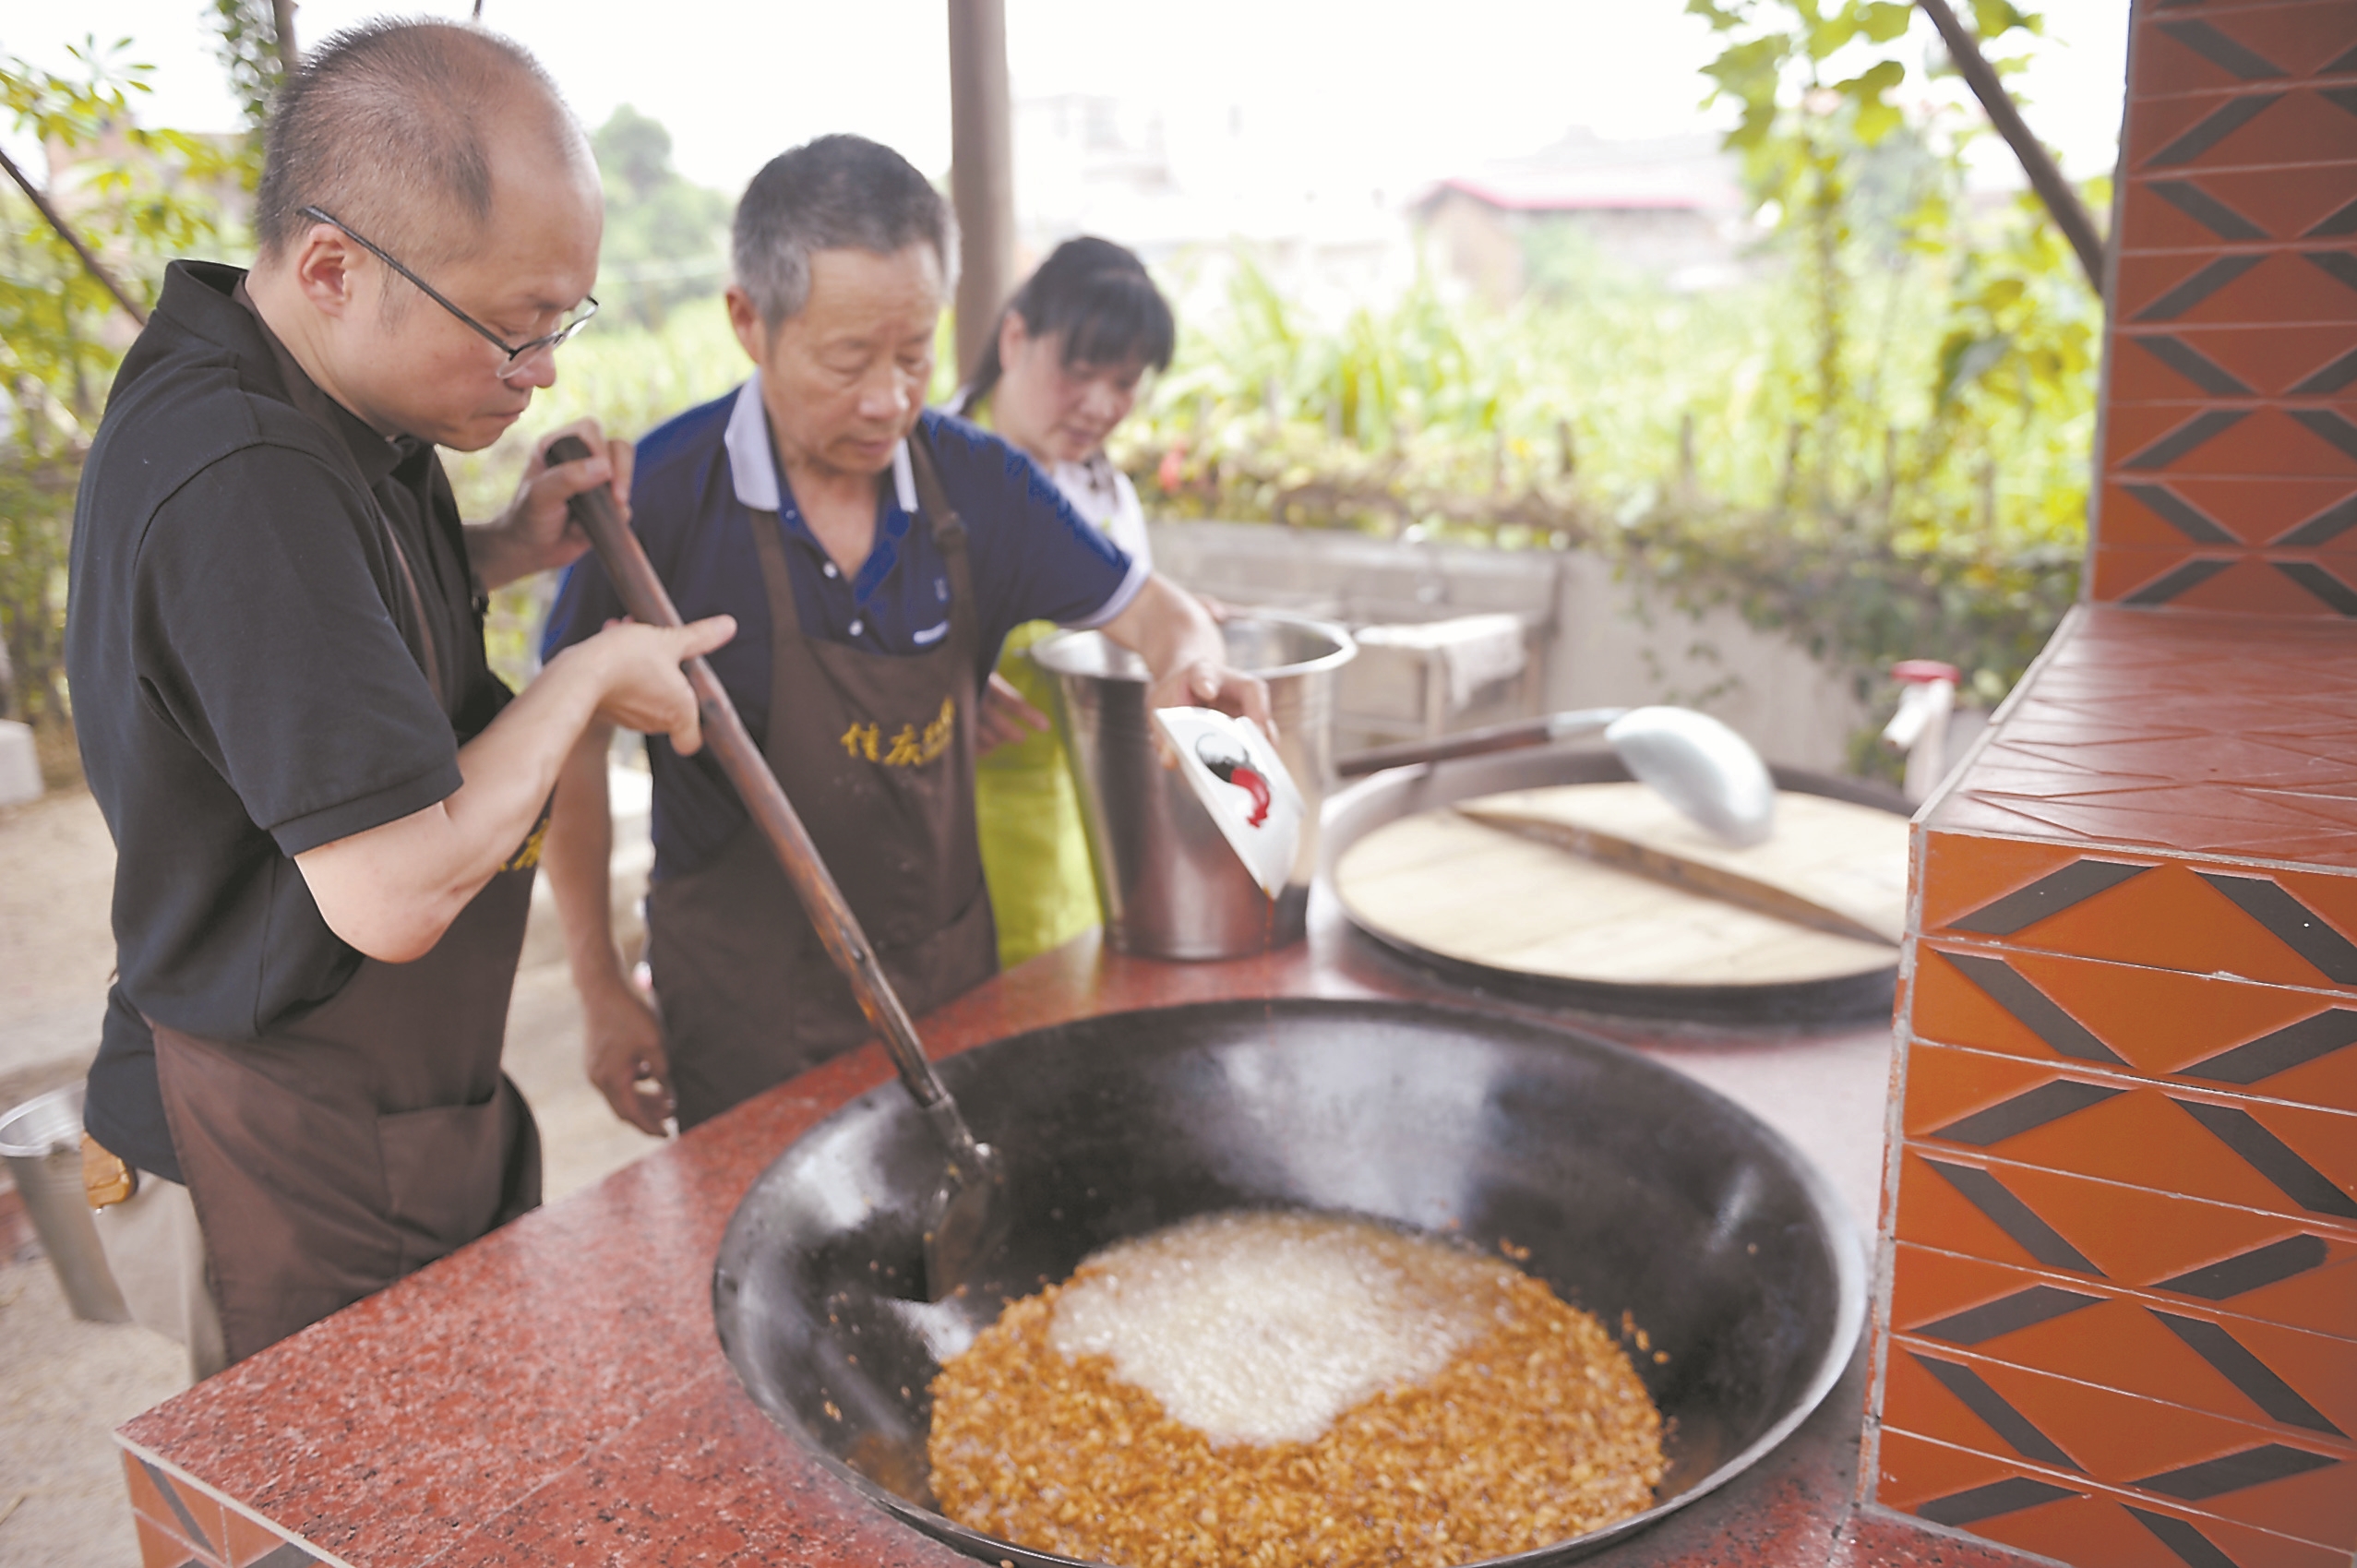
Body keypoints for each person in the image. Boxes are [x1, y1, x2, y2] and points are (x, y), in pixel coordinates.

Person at [66, 20, 733, 1378]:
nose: (541, 371)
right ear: (333, 266)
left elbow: (317, 623)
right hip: (273, 1125)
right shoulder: (241, 474)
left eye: (561, 324)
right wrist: (587, 674)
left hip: (379, 1095)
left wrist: (502, 547)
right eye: (511, 331)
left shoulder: (323, 383)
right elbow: (392, 891)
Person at [540, 137, 1264, 1136]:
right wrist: (601, 986)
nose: (888, 399)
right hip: (740, 1015)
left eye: (915, 355)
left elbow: (1158, 612)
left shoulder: (981, 486)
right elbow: (569, 747)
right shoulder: (655, 502)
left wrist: (1191, 667)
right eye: (848, 360)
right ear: (749, 321)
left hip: (945, 991)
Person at [946, 238, 1174, 969]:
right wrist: (937, 681)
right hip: (950, 834)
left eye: (1125, 381)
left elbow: (1136, 618)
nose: (1101, 405)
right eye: (1079, 371)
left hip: (1081, 831)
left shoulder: (1109, 494)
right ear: (1015, 338)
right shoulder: (928, 468)